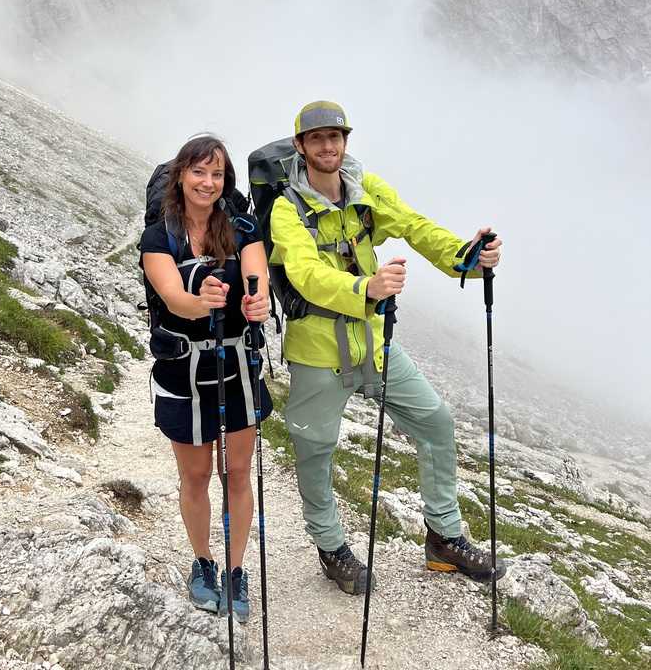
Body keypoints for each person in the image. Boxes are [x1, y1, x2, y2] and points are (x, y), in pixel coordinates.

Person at [269, 100, 505, 595]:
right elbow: (304, 274)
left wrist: (466, 257)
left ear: (345, 143)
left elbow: (414, 226)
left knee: (435, 422)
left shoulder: (365, 191)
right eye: (317, 139)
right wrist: (366, 291)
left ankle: (443, 536)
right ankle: (331, 547)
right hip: (317, 351)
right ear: (300, 146)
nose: (328, 146)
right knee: (315, 451)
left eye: (336, 137)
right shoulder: (287, 209)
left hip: (374, 346)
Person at [140, 135, 272, 624]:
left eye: (216, 175)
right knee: (195, 476)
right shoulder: (159, 236)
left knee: (237, 473)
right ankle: (203, 562)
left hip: (237, 365)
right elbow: (173, 298)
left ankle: (235, 571)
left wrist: (252, 303)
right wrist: (204, 301)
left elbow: (255, 275)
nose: (207, 183)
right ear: (180, 176)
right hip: (184, 369)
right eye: (198, 172)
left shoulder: (240, 226)